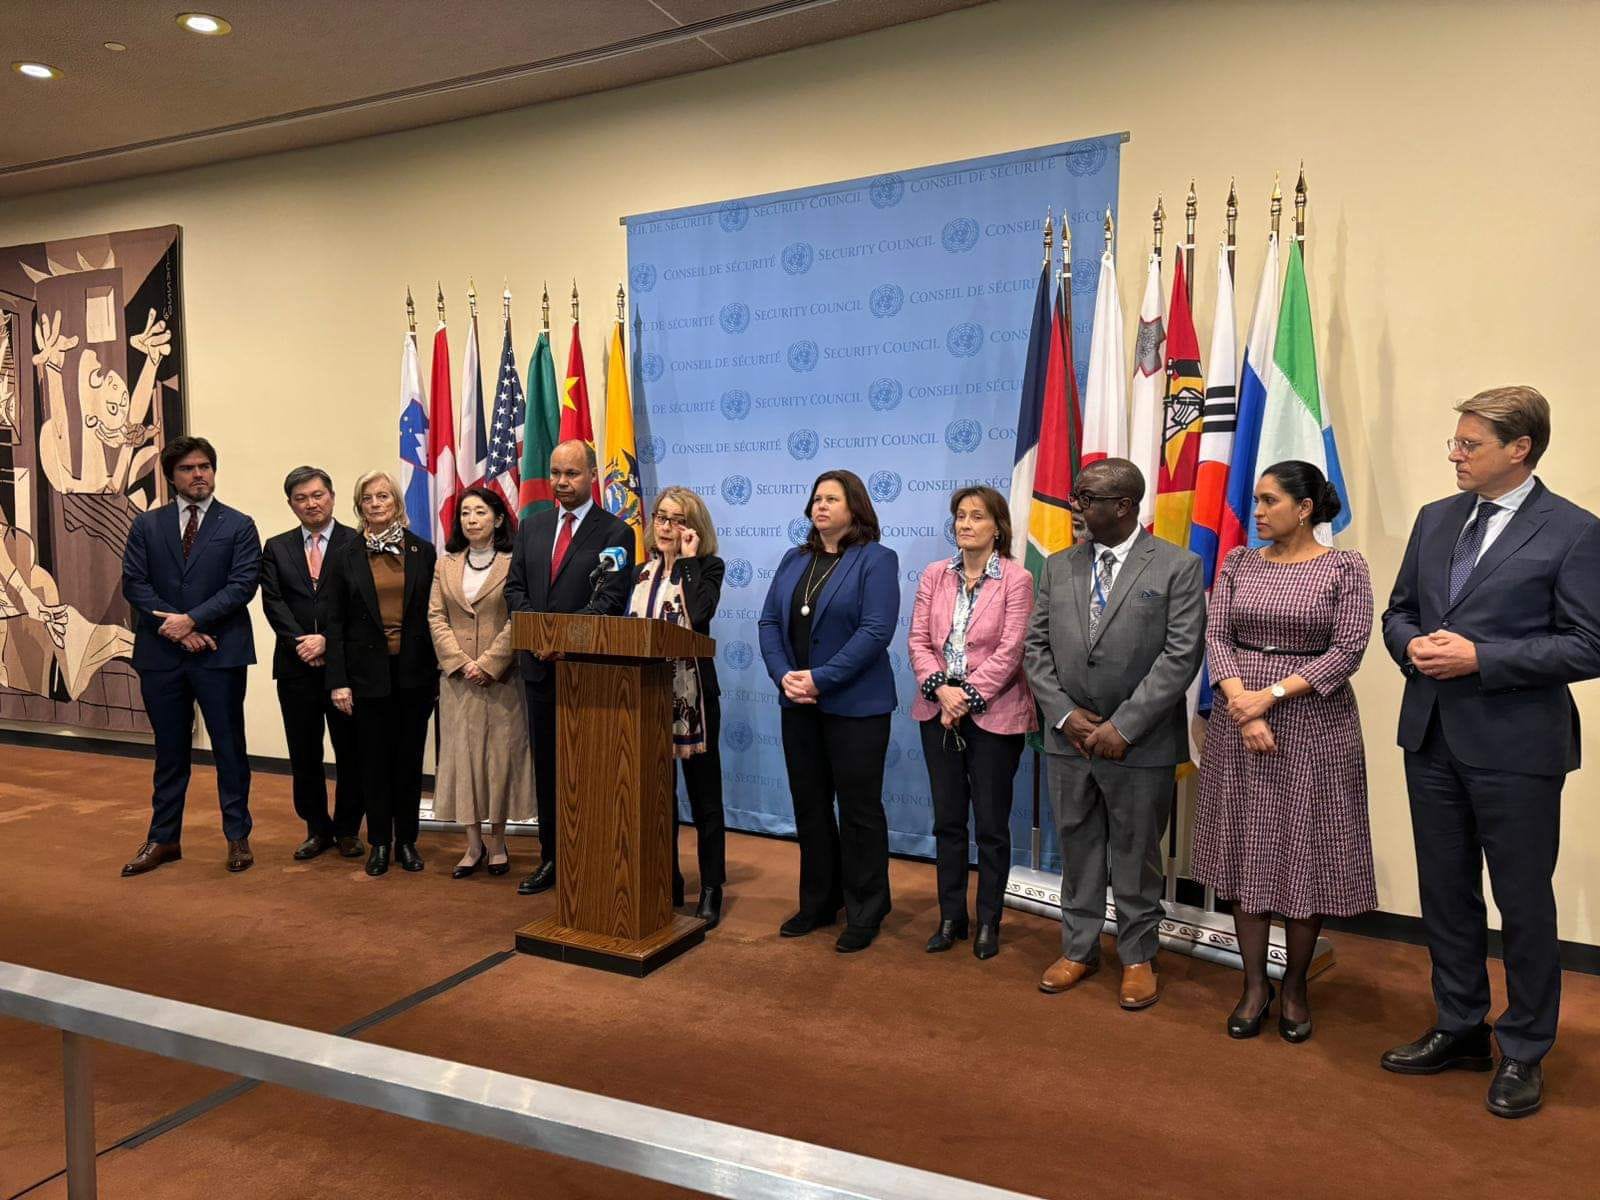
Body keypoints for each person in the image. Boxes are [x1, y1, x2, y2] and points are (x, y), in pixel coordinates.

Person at [1380, 386, 1600, 1119]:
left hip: (1517, 747)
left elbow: (1588, 643)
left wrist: (1485, 657)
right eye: (1456, 441)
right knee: (1445, 894)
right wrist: (1409, 644)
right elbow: (1399, 609)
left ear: (1520, 450)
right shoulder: (1435, 519)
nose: (1454, 454)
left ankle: (1526, 1050)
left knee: (1523, 904)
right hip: (1432, 734)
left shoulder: (1572, 531)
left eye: (1470, 444)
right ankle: (1460, 1025)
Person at [1192, 461, 1376, 1043]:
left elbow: (1347, 651)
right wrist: (1242, 702)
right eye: (1256, 501)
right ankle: (1253, 984)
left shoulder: (1345, 567)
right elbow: (1215, 633)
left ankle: (1294, 987)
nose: (1258, 511)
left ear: (1304, 508)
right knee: (1248, 849)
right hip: (1239, 719)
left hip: (1314, 727)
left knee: (1304, 853)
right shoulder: (1240, 561)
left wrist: (1266, 697)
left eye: (1270, 500)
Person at [1022, 458, 1204, 1008]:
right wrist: (1064, 715)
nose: (1075, 505)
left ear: (1124, 506)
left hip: (1140, 742)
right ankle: (1078, 949)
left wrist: (1124, 725)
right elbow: (1036, 648)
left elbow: (1181, 654)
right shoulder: (1058, 566)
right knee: (1077, 848)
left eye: (1085, 497)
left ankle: (1138, 956)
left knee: (1135, 853)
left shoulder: (1178, 566)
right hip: (1069, 740)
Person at [758, 469, 899, 953]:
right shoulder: (794, 559)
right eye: (816, 499)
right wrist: (784, 676)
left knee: (858, 812)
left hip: (855, 707)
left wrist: (821, 677)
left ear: (854, 508)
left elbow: (875, 632)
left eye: (831, 499)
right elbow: (769, 622)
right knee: (811, 807)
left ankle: (867, 907)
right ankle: (819, 900)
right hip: (797, 703)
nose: (820, 506)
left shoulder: (877, 560)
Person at [119, 436, 261, 876]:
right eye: (187, 468)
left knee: (229, 748)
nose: (198, 474)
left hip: (220, 654)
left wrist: (193, 621)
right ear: (172, 476)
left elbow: (242, 585)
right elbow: (134, 583)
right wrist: (179, 630)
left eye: (204, 466)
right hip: (162, 655)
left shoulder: (239, 525)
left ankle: (237, 838)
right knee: (170, 751)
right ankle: (164, 839)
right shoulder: (148, 524)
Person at [908, 485, 1035, 959]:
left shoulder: (1017, 579)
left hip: (995, 716)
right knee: (948, 822)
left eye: (977, 516)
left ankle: (989, 922)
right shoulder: (934, 574)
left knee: (992, 827)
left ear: (997, 527)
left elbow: (1011, 650)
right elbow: (919, 639)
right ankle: (950, 918)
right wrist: (941, 689)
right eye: (960, 516)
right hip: (936, 711)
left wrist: (966, 697)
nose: (965, 524)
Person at [505, 439, 635, 896]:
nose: (561, 482)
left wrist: (559, 640)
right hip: (539, 672)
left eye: (572, 474)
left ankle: (592, 858)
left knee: (589, 771)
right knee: (548, 770)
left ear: (592, 476)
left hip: (588, 674)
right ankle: (551, 857)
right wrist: (540, 639)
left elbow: (609, 601)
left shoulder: (616, 533)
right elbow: (515, 590)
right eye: (556, 473)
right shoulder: (532, 527)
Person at [322, 470, 438, 878]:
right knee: (372, 763)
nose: (376, 503)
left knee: (408, 763)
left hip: (413, 674)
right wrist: (337, 680)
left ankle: (407, 841)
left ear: (396, 504)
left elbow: (433, 617)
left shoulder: (423, 551)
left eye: (383, 496)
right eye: (368, 498)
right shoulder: (344, 555)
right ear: (358, 506)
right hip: (364, 676)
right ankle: (380, 843)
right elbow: (332, 623)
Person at [627, 486, 728, 927]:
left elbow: (700, 615)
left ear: (694, 528)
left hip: (693, 700)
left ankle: (711, 888)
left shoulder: (707, 567)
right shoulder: (637, 573)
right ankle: (667, 879)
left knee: (705, 801)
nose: (667, 527)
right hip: (645, 698)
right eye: (662, 518)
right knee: (657, 798)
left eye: (679, 519)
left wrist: (685, 562)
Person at [259, 465, 365, 861]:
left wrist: (329, 642)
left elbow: (362, 605)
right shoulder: (276, 546)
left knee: (350, 751)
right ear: (291, 504)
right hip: (295, 667)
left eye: (317, 495)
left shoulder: (356, 543)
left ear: (332, 497)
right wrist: (301, 642)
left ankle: (349, 829)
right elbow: (273, 601)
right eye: (301, 498)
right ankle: (316, 828)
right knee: (304, 752)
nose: (311, 503)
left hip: (346, 669)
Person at [428, 486, 533, 879]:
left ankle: (499, 842)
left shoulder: (513, 562)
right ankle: (472, 846)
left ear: (499, 519)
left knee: (500, 760)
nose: (472, 520)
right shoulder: (446, 564)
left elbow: (517, 617)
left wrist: (489, 663)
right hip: (457, 682)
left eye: (480, 513)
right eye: (466, 513)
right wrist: (459, 662)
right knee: (463, 760)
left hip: (501, 680)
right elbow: (436, 617)